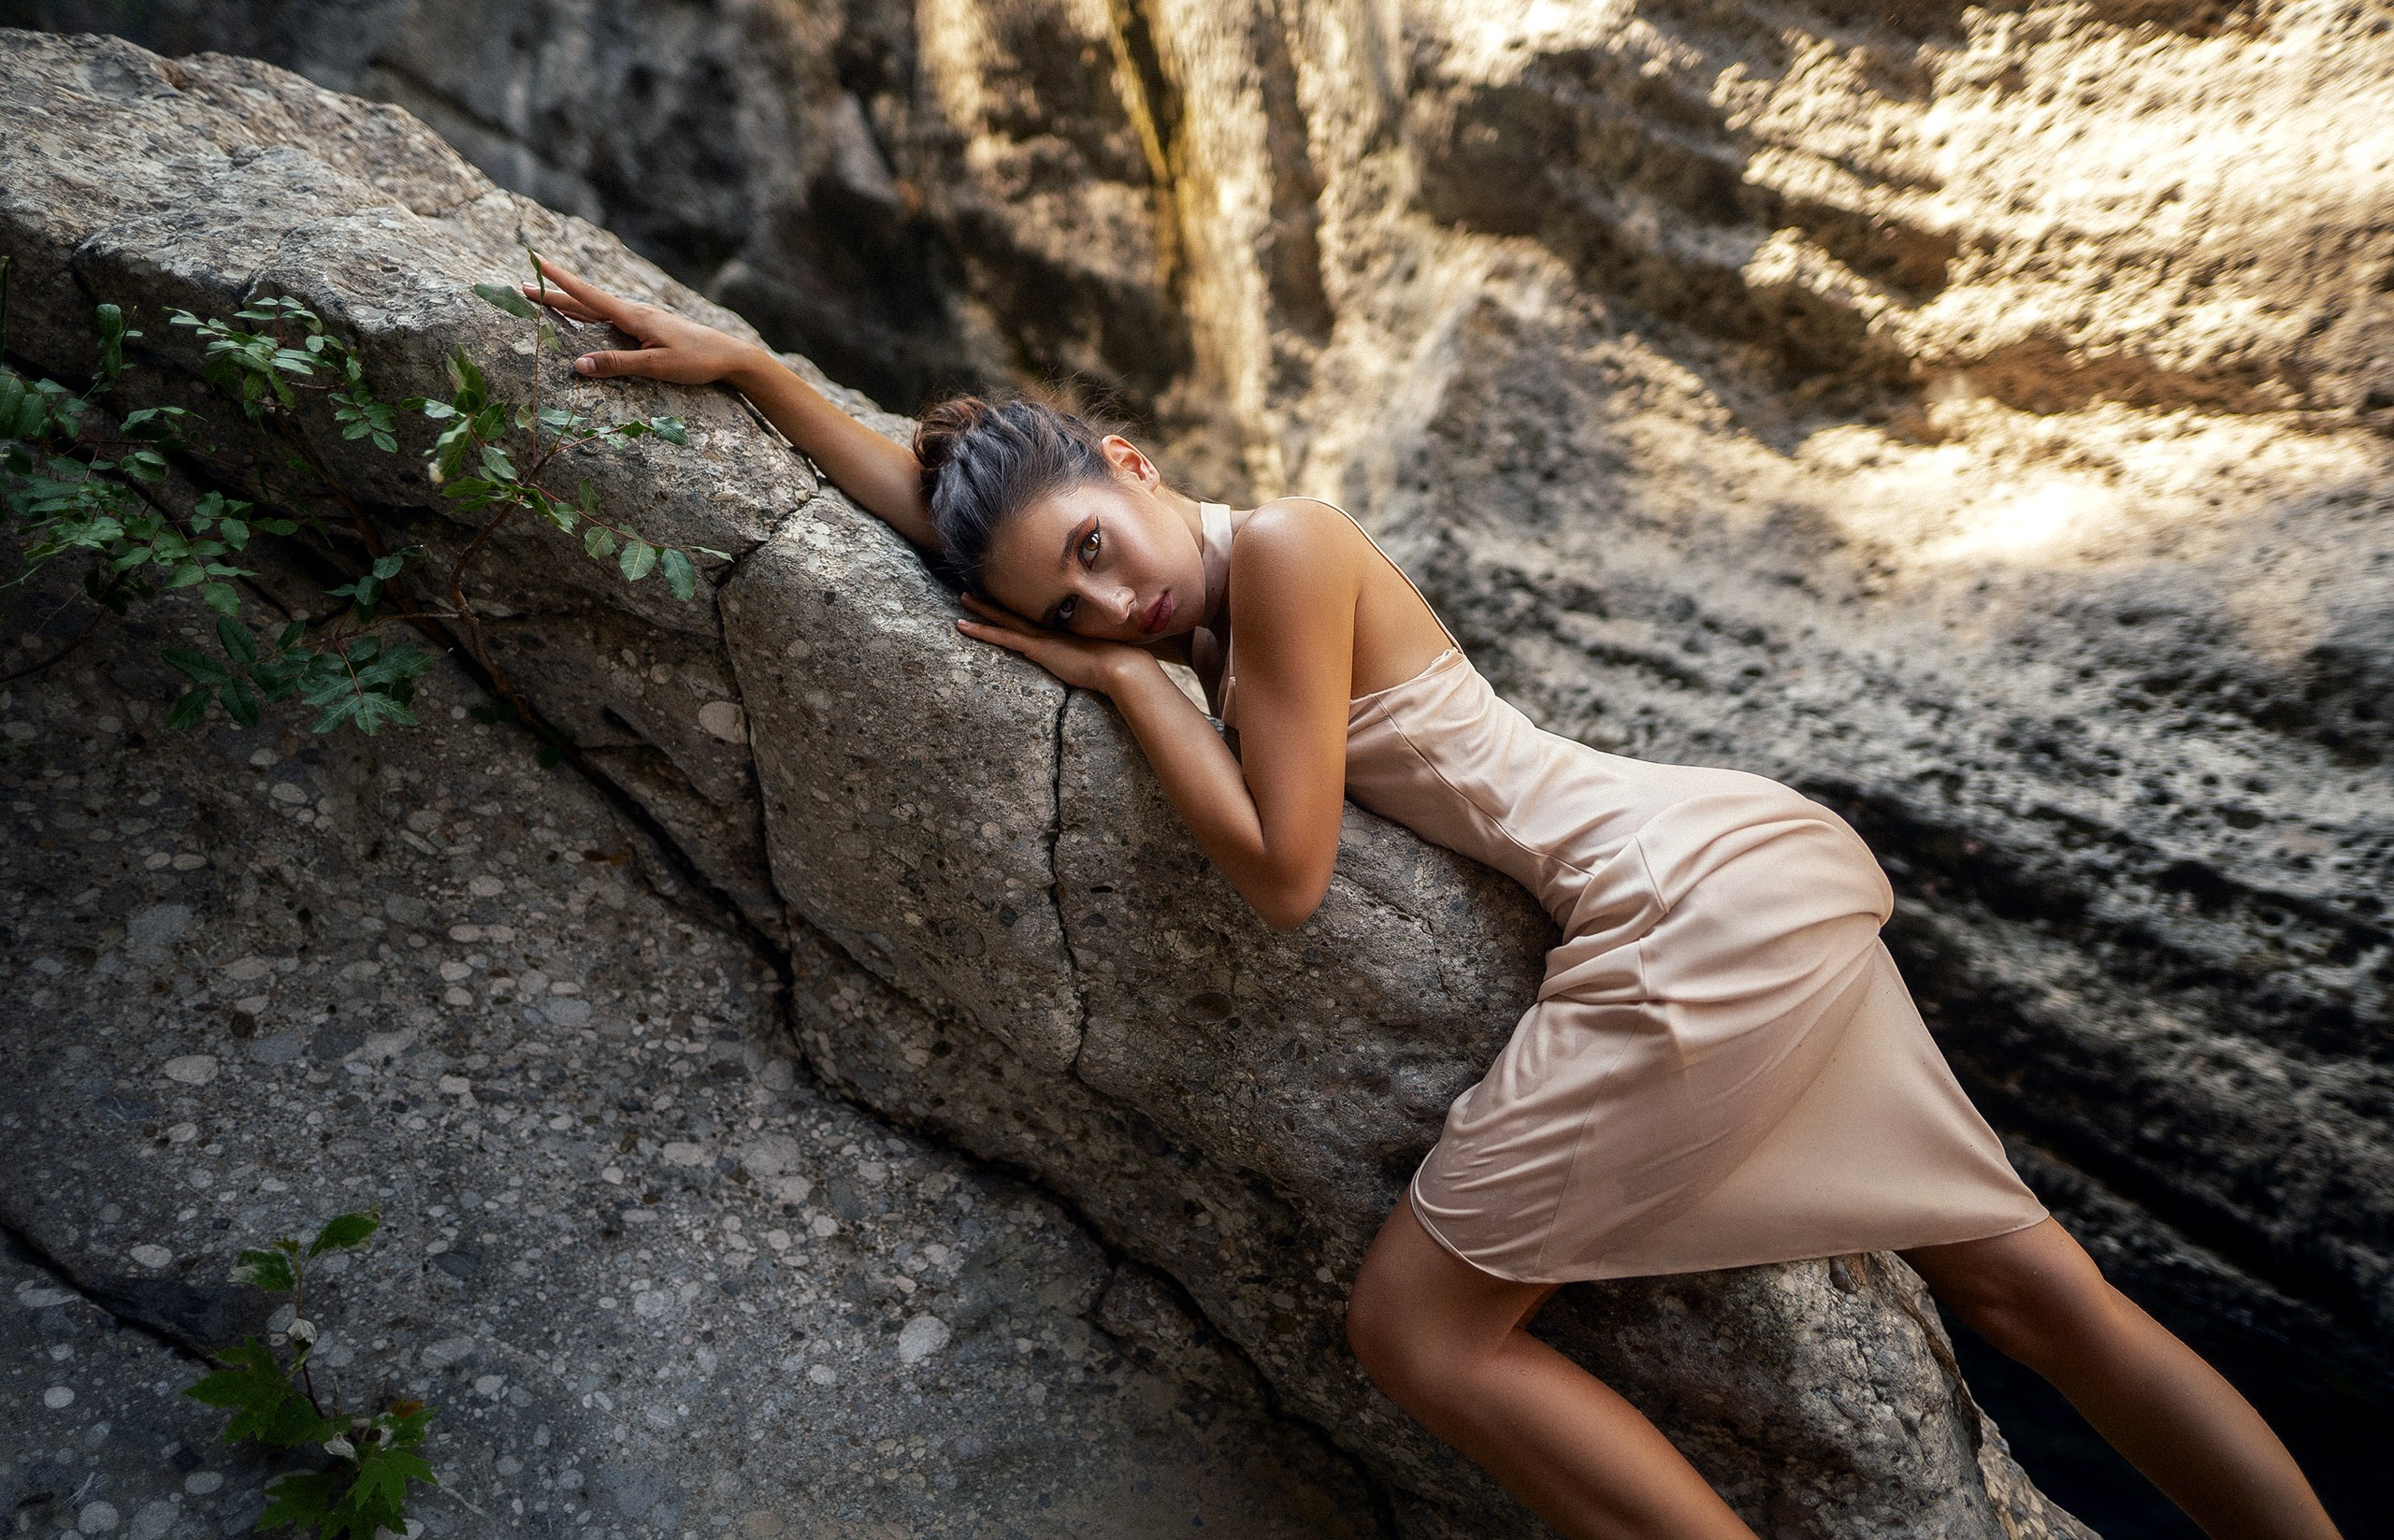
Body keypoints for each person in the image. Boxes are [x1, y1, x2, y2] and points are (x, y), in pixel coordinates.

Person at [523, 259, 2343, 1540]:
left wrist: (1137, 695)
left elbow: (1283, 870)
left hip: (1675, 906)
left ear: (1135, 463)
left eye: (1097, 553)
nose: (1108, 606)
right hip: (1724, 866)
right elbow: (960, 530)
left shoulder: (1287, 554)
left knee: (1416, 1333)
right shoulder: (1201, 584)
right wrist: (761, 380)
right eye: (1065, 610)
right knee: (2034, 1292)